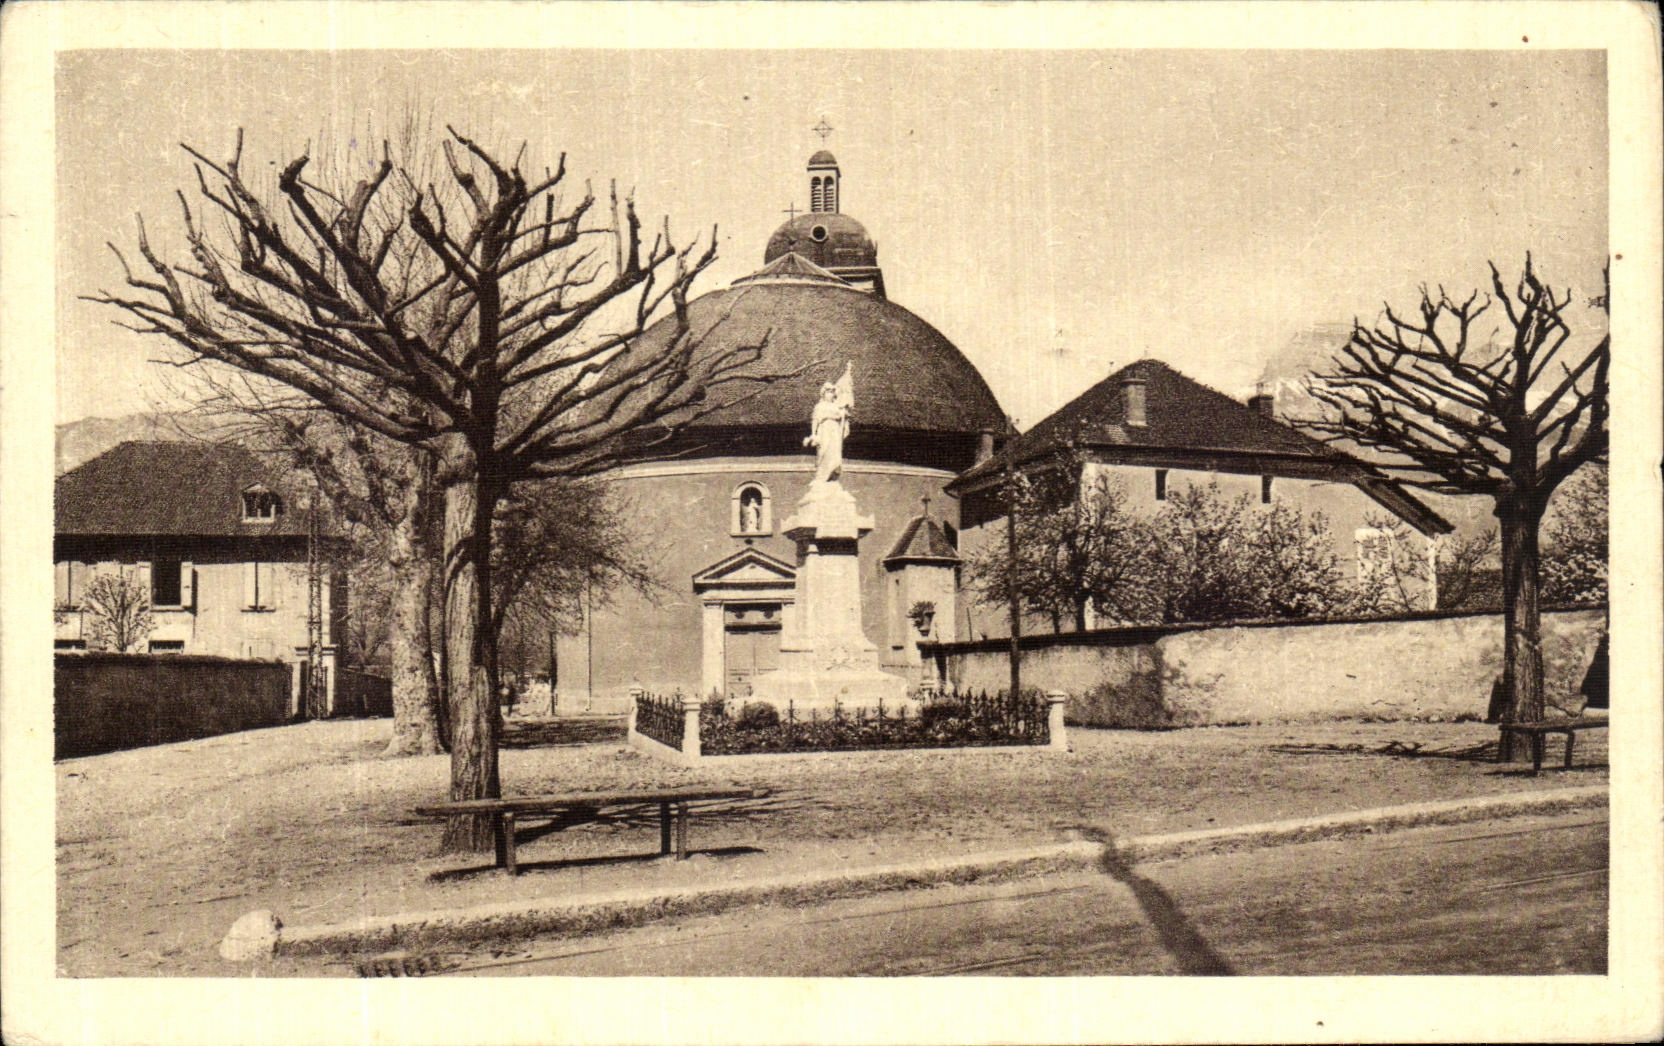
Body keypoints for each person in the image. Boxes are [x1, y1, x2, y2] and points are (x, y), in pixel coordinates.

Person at [805, 361, 854, 484]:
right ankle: (822, 476)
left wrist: (844, 414)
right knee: (823, 452)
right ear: (823, 393)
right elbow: (815, 420)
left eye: (832, 392)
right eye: (828, 392)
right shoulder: (819, 406)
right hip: (824, 430)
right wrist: (813, 434)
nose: (830, 394)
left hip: (834, 431)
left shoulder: (837, 406)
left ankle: (832, 475)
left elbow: (844, 416)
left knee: (835, 453)